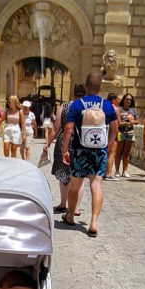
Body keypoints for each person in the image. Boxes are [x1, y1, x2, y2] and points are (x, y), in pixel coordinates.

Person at [61, 71, 118, 237]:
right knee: (96, 185)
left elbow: (69, 129)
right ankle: (93, 223)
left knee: (75, 185)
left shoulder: (77, 105)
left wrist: (66, 150)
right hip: (99, 151)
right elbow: (114, 129)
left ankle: (70, 216)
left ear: (86, 86)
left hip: (80, 150)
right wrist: (106, 145)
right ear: (100, 87)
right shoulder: (107, 106)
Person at [47, 83, 86, 213]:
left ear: (73, 92)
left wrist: (47, 143)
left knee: (64, 174)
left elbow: (56, 127)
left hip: (64, 140)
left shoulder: (65, 106)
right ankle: (76, 208)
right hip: (81, 142)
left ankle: (63, 203)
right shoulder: (88, 107)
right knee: (79, 176)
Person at [113, 92, 139, 178]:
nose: (128, 101)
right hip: (120, 132)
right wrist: (124, 122)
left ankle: (125, 171)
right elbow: (117, 121)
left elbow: (137, 121)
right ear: (124, 100)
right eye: (127, 99)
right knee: (119, 152)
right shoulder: (119, 109)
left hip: (130, 132)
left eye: (130, 100)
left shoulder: (133, 110)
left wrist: (132, 122)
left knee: (127, 153)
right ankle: (116, 171)